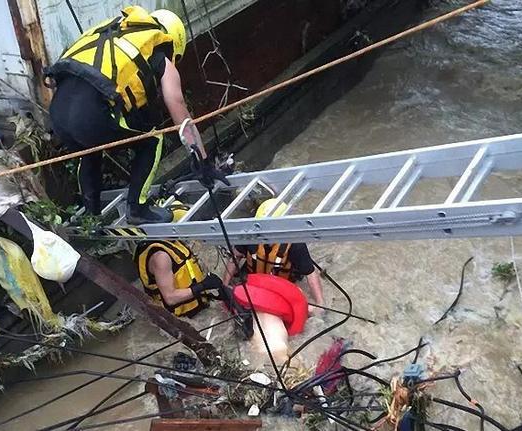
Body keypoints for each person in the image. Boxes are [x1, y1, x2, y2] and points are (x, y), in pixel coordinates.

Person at [46, 6, 225, 224]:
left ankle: (91, 218)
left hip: (57, 112)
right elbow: (180, 111)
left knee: (89, 151)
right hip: (90, 114)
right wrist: (202, 162)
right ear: (174, 44)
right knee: (153, 138)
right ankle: (138, 209)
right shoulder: (159, 56)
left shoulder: (115, 34)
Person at [222, 199, 325, 314]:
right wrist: (225, 285)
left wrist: (320, 304)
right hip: (255, 280)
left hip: (281, 283)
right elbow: (235, 257)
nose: (263, 233)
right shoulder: (250, 237)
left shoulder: (295, 245)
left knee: (306, 309)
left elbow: (310, 274)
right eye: (260, 227)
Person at [134, 236, 224, 318]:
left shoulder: (172, 241)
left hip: (199, 302)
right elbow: (170, 298)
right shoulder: (161, 257)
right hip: (180, 316)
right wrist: (203, 285)